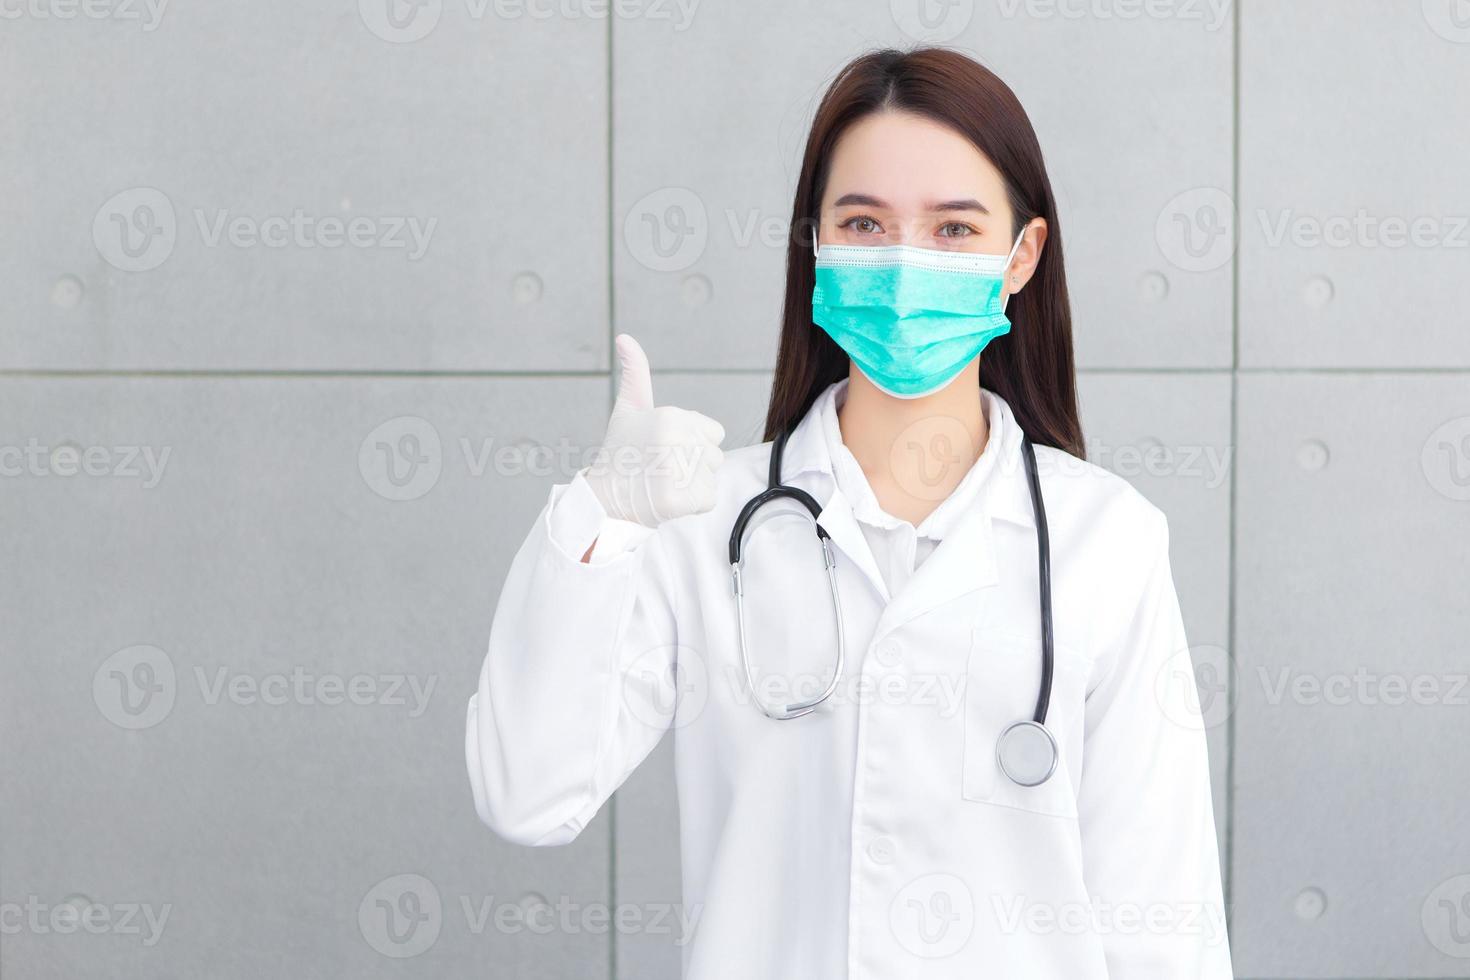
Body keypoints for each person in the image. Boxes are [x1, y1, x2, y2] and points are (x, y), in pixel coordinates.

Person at [466, 46, 1232, 978]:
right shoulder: (705, 522)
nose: (906, 266)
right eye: (865, 223)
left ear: (1022, 255)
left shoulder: (1105, 539)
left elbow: (1162, 920)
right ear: (816, 245)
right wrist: (604, 517)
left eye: (954, 232)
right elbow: (527, 795)